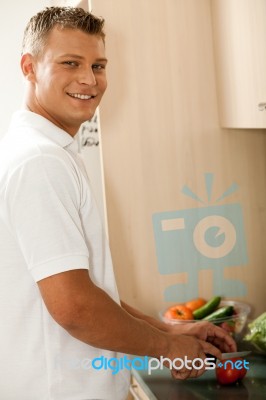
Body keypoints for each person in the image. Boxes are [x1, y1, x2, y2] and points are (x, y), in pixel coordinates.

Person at [0, 6, 236, 400]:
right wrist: (168, 348)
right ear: (29, 67)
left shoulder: (44, 153)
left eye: (99, 65)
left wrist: (168, 329)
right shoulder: (41, 162)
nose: (89, 79)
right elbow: (75, 307)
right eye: (70, 63)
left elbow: (86, 289)